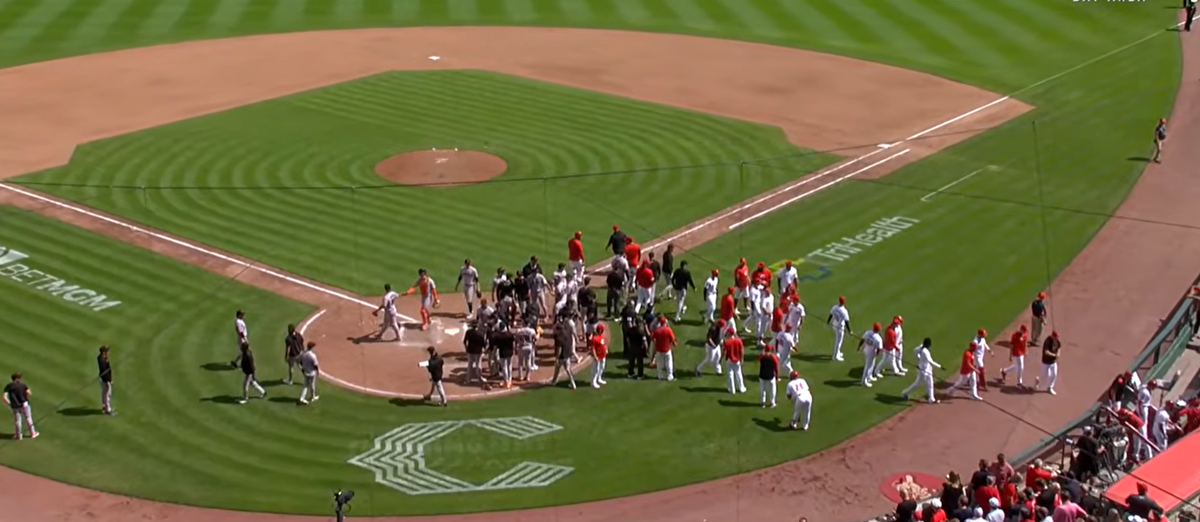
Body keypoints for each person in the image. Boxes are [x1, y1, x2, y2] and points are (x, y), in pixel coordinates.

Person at [902, 337, 941, 403]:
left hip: (927, 369)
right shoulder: (925, 352)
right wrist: (939, 366)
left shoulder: (920, 347)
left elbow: (915, 351)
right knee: (917, 384)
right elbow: (930, 361)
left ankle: (931, 399)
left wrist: (918, 359)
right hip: (923, 371)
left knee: (930, 383)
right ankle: (904, 393)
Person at [4, 373, 37, 440]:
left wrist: (9, 403)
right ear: (18, 378)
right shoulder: (22, 385)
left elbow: (4, 397)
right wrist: (25, 398)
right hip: (24, 404)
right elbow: (29, 393)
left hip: (15, 406)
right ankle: (33, 433)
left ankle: (18, 436)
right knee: (28, 418)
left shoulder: (9, 386)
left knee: (17, 421)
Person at [550, 321, 577, 390]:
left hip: (561, 357)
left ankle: (553, 382)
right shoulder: (567, 333)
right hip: (567, 354)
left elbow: (559, 349)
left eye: (555, 329)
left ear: (558, 330)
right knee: (568, 369)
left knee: (557, 369)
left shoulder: (558, 338)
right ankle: (573, 384)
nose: (554, 331)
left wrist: (556, 359)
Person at [652, 315, 677, 381]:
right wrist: (674, 344)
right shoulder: (668, 330)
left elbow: (653, 338)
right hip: (667, 350)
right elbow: (673, 339)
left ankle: (660, 376)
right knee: (669, 363)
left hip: (659, 350)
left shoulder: (657, 331)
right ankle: (670, 376)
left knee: (659, 364)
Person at [858, 322, 883, 388]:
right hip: (871, 353)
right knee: (868, 367)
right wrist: (877, 354)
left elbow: (862, 340)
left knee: (871, 365)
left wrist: (859, 347)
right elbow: (879, 349)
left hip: (866, 350)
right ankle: (864, 381)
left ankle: (869, 376)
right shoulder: (878, 339)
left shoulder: (867, 332)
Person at [828, 296, 852, 361]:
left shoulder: (834, 307)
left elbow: (830, 315)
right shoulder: (844, 311)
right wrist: (850, 331)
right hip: (840, 328)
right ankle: (835, 356)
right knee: (838, 341)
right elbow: (846, 322)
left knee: (838, 340)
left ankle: (837, 352)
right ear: (844, 302)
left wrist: (828, 322)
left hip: (834, 325)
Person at [589, 324, 608, 388]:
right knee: (595, 369)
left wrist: (606, 349)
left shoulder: (601, 336)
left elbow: (604, 344)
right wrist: (595, 356)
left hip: (603, 355)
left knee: (602, 367)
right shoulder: (594, 338)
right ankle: (593, 382)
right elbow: (593, 349)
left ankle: (599, 378)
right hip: (598, 356)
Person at [98, 346, 115, 415]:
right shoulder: (102, 360)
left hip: (104, 379)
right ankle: (108, 409)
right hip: (105, 379)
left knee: (105, 393)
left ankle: (105, 407)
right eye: (107, 351)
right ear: (104, 352)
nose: (108, 352)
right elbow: (105, 371)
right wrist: (109, 381)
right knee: (107, 394)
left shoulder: (102, 358)